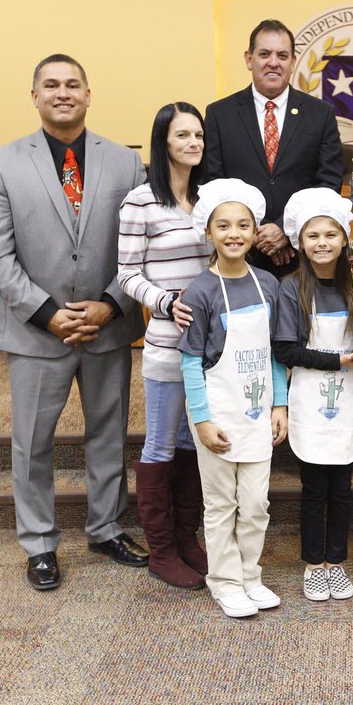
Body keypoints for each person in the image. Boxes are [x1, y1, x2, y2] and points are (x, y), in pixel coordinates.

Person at [0, 53, 149, 591]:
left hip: (107, 325)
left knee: (107, 433)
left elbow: (144, 247)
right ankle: (40, 543)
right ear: (34, 96)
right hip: (34, 331)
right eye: (51, 85)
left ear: (89, 94)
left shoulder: (125, 163)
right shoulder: (3, 163)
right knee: (33, 441)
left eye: (73, 84)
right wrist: (50, 314)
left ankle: (105, 527)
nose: (63, 93)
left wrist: (110, 302)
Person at [178, 179, 288, 618]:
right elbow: (189, 362)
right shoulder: (200, 291)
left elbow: (276, 352)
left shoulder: (268, 284)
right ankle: (224, 581)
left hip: (259, 410)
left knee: (257, 502)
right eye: (223, 225)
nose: (234, 234)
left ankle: (250, 576)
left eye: (243, 224)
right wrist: (201, 420)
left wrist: (279, 403)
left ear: (255, 229)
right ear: (208, 231)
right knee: (221, 503)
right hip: (218, 411)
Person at [117, 102, 212, 590]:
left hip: (210, 346)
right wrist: (164, 300)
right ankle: (161, 552)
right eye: (182, 135)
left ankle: (185, 537)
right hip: (166, 343)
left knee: (191, 441)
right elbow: (127, 273)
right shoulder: (140, 201)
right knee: (160, 441)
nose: (193, 142)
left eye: (197, 134)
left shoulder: (210, 198)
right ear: (163, 142)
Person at [274, 188, 353, 602]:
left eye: (331, 234)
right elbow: (285, 349)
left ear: (345, 238)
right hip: (310, 398)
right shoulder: (291, 288)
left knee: (343, 486)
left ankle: (337, 562)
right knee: (314, 486)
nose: (322, 243)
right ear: (300, 241)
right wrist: (340, 362)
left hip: (349, 396)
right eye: (313, 235)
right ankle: (314, 565)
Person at [204, 19, 344, 275]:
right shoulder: (219, 115)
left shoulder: (320, 114)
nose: (273, 62)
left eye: (282, 55)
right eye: (264, 54)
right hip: (241, 255)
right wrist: (254, 230)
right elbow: (215, 183)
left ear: (293, 61)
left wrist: (285, 229)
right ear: (249, 59)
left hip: (303, 260)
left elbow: (328, 184)